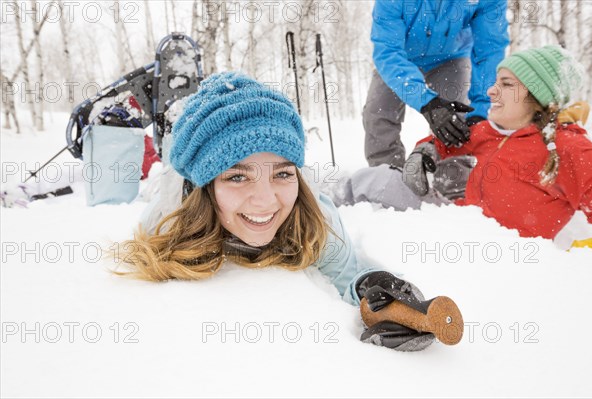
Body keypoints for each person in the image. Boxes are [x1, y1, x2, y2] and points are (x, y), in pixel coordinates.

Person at [113, 72, 464, 351]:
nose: (265, 200)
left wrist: (375, 285)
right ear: (206, 187)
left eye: (282, 173)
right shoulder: (168, 218)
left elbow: (348, 271)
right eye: (237, 176)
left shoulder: (312, 215)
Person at [402, 45, 592, 243]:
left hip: (509, 264)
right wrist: (425, 149)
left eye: (506, 84)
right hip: (461, 237)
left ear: (538, 95)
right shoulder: (491, 131)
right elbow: (444, 142)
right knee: (380, 182)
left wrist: (572, 258)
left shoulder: (571, 148)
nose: (490, 91)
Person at [363, 0, 509, 168]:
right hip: (399, 59)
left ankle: (451, 182)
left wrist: (480, 110)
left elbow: (490, 49)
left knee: (457, 121)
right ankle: (387, 176)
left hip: (450, 58)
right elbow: (388, 51)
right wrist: (427, 103)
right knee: (378, 114)